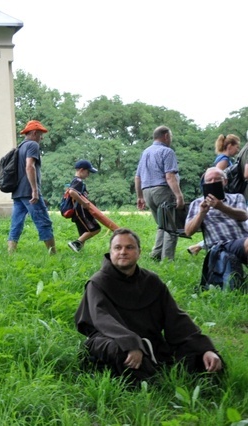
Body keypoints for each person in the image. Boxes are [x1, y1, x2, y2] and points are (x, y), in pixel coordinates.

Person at [75, 228, 224, 383]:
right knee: (119, 350)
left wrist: (205, 348)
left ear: (139, 252)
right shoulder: (98, 283)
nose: (123, 252)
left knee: (201, 355)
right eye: (118, 248)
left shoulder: (151, 281)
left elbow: (176, 318)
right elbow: (103, 320)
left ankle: (159, 373)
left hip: (150, 344)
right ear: (110, 252)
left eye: (129, 247)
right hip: (111, 340)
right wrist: (130, 343)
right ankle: (150, 382)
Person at [134, 125, 185, 261]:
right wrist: (179, 195)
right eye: (171, 137)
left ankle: (156, 255)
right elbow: (169, 176)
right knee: (171, 226)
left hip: (147, 192)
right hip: (162, 190)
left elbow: (137, 177)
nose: (171, 139)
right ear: (166, 136)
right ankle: (167, 260)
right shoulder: (167, 152)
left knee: (162, 225)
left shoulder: (145, 152)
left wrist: (139, 196)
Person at [7, 120, 56, 255]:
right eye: (41, 134)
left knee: (16, 223)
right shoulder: (33, 145)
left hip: (18, 192)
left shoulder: (20, 146)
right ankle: (53, 254)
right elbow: (29, 166)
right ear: (34, 133)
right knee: (44, 221)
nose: (42, 137)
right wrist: (34, 190)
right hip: (29, 193)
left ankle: (10, 253)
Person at [188, 134, 241, 255]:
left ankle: (198, 246)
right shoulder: (224, 160)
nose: (238, 150)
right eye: (237, 147)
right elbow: (216, 176)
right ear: (229, 146)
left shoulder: (223, 158)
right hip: (222, 198)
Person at [184, 166, 248, 262]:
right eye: (209, 180)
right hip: (220, 246)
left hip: (243, 240)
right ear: (205, 184)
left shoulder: (237, 197)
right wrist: (201, 213)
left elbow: (244, 216)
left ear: (225, 181)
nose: (213, 182)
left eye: (217, 179)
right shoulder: (197, 203)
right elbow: (188, 231)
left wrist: (221, 207)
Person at [66, 160, 101, 252]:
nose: (88, 174)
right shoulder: (78, 181)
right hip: (81, 211)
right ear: (81, 170)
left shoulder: (77, 181)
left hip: (80, 211)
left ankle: (78, 250)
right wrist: (84, 203)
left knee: (83, 232)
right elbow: (72, 192)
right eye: (88, 172)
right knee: (96, 229)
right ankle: (75, 243)